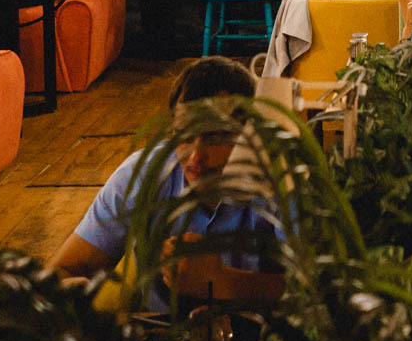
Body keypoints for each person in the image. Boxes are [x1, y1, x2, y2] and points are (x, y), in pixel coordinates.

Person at [48, 57, 283, 310]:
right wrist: (67, 291)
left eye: (215, 136)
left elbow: (311, 294)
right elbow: (64, 270)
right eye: (184, 135)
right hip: (157, 329)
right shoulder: (142, 176)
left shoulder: (280, 183)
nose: (195, 157)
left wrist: (223, 281)